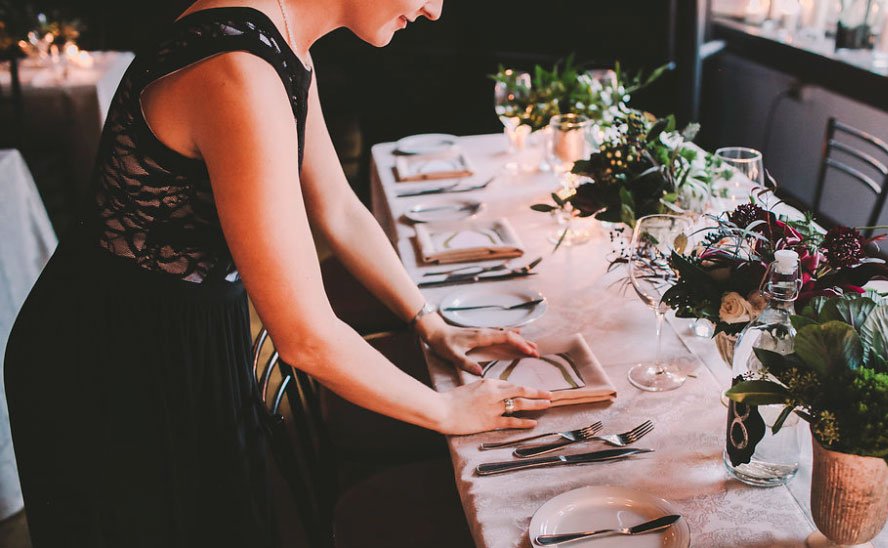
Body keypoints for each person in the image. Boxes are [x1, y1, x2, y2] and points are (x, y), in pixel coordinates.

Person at [4, 0, 552, 545]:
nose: (434, 11)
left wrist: (428, 321)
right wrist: (445, 411)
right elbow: (306, 338)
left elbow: (335, 206)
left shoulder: (280, 39)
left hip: (178, 333)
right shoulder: (238, 71)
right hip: (112, 359)